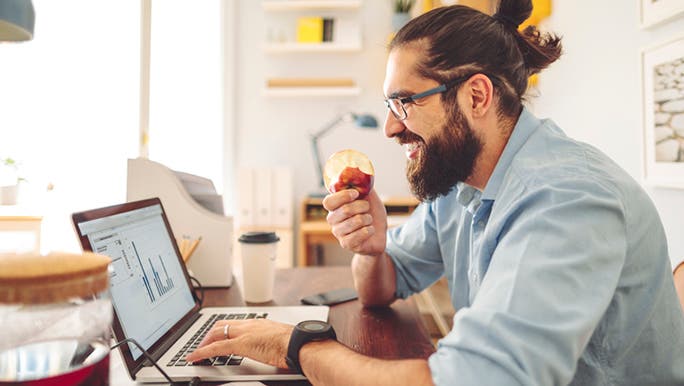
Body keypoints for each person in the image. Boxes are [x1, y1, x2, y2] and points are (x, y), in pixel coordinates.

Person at [187, 0, 684, 384]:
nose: (388, 128)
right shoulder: (462, 182)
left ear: (476, 96)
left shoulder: (567, 200)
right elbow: (383, 285)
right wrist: (370, 247)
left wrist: (295, 347)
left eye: (404, 102)